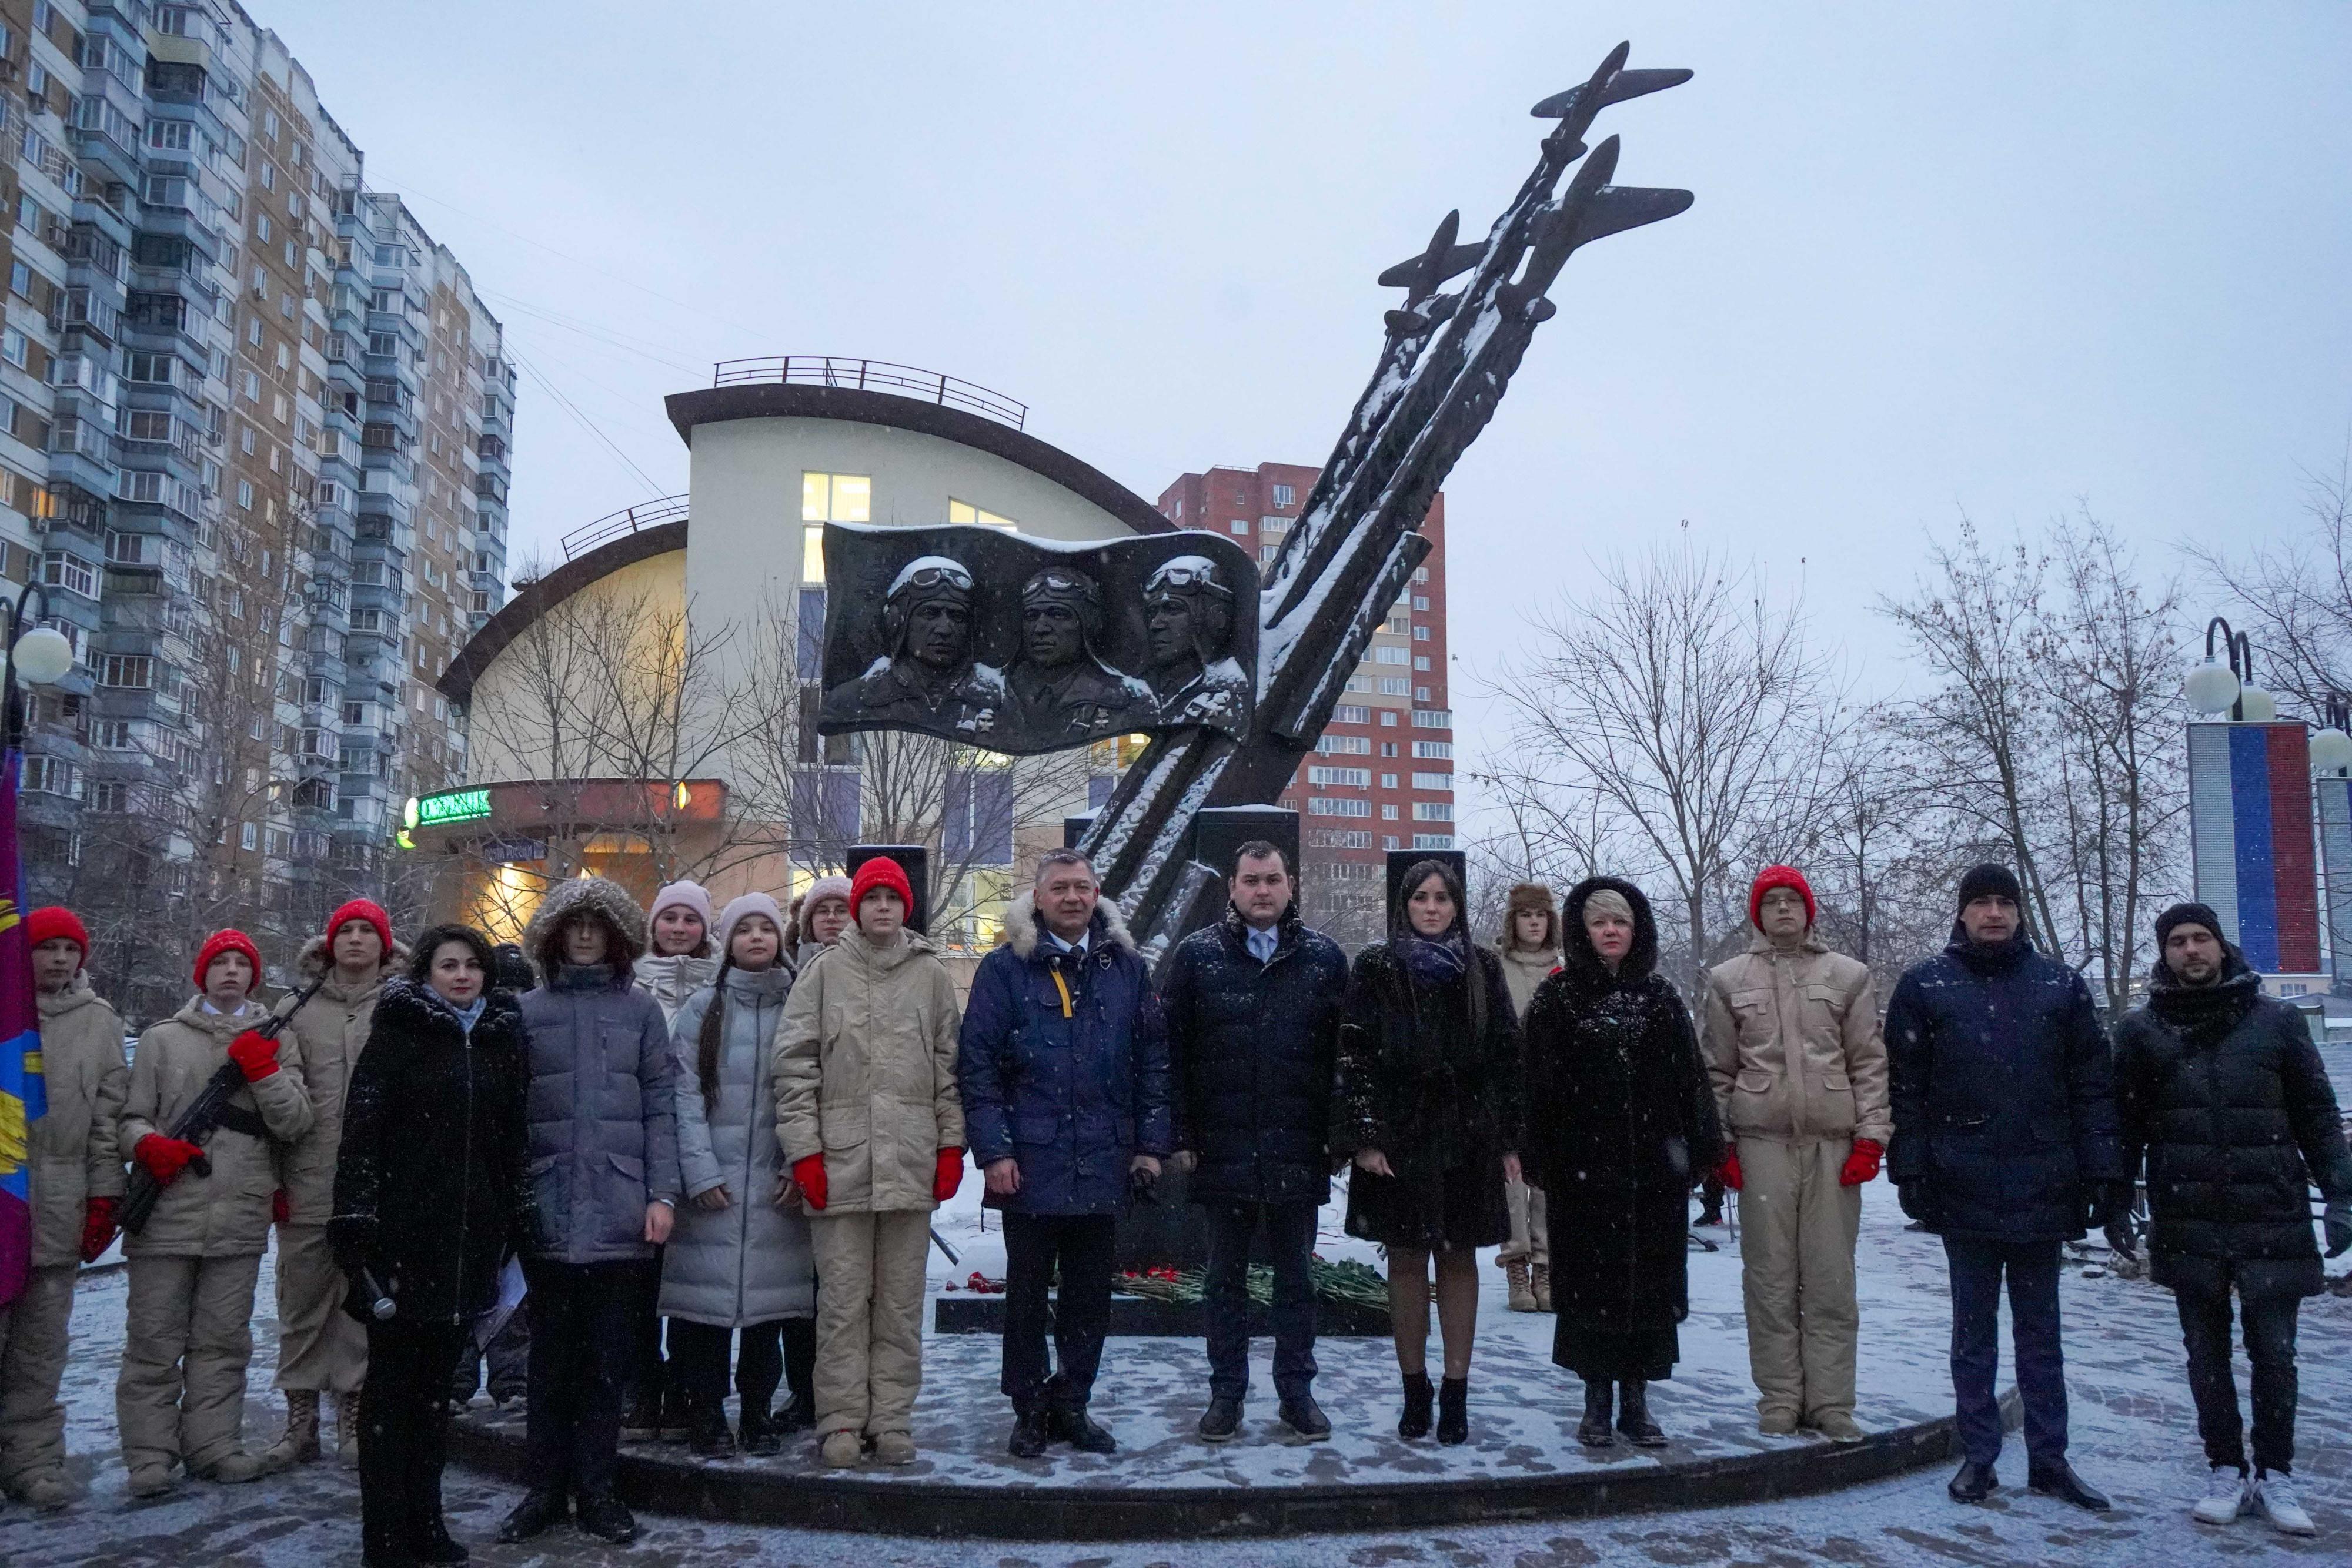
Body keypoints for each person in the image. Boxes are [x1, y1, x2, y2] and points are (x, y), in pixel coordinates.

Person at [1885, 864, 2126, 1511]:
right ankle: (1980, 1457)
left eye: (2004, 902)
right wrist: (1911, 1165)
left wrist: (2101, 1169)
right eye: (1982, 902)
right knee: (1973, 1334)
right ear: (1962, 913)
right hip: (1960, 1181)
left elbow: (2092, 1085)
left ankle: (2049, 1460)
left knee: (2040, 1333)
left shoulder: (2059, 986)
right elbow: (1905, 1087)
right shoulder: (1925, 985)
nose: (1994, 913)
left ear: (2018, 913)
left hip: (2044, 1181)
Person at [2112, 902, 2352, 1538]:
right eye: (2178, 941)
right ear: (2164, 953)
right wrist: (2113, 1195)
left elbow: (2317, 1114)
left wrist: (2342, 1192)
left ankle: (2276, 1473)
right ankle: (2224, 1466)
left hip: (2270, 1211)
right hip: (2187, 1213)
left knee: (2275, 1354)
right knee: (2205, 1354)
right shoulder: (2142, 1032)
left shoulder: (2276, 1022)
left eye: (2201, 939)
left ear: (2221, 947)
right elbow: (2125, 1124)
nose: (2191, 950)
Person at [958, 848, 1170, 1457]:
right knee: (1026, 1296)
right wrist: (995, 1151)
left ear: (1097, 894)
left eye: (1081, 887)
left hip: (1103, 1159)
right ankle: (1028, 1407)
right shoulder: (1004, 969)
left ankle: (1073, 1401)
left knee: (1088, 1297)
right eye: (1059, 888)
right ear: (1038, 897)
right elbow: (978, 1066)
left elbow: (1152, 1060)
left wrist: (1150, 1148)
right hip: (1029, 1163)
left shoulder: (1126, 968)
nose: (1072, 898)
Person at [331, 924, 530, 1568]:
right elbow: (361, 1134)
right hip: (403, 1238)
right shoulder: (398, 1035)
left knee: (436, 1394)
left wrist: (513, 1218)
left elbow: (513, 1140)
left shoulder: (500, 1039)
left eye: (472, 965)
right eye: (449, 965)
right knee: (392, 1391)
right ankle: (384, 1536)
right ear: (426, 974)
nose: (462, 975)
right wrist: (356, 1221)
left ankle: (426, 1521)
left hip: (470, 1239)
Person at [497, 878, 678, 1547]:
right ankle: (543, 1490)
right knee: (548, 1363)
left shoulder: (641, 1012)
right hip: (546, 1210)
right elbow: (507, 1116)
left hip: (621, 1211)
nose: (583, 936)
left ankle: (599, 1490)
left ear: (616, 937)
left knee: (606, 1365)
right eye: (573, 925)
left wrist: (662, 1195)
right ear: (552, 935)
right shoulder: (525, 1012)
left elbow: (661, 1108)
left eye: (596, 926)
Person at [1522, 877, 1722, 1449]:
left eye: (1621, 922)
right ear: (1582, 931)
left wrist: (1701, 1147)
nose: (1610, 931)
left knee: (1649, 1287)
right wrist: (1537, 1151)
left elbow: (1691, 1079)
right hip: (1583, 1172)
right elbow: (1534, 1085)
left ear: (1637, 930)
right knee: (1591, 1289)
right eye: (1599, 922)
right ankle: (1596, 1401)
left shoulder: (1660, 998)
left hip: (1654, 1171)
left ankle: (1637, 1401)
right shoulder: (1557, 1000)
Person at [778, 857, 965, 1467]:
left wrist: (949, 1146)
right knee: (840, 1305)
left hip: (910, 1161)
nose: (882, 907)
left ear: (906, 907)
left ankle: (891, 1419)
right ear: (857, 907)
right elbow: (795, 1068)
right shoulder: (823, 972)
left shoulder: (931, 975)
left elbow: (948, 1069)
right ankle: (839, 1419)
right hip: (840, 1165)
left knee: (899, 1306)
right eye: (871, 897)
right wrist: (805, 1152)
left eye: (893, 897)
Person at [115, 929, 315, 1495]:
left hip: (239, 1215)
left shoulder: (278, 1039)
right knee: (153, 1342)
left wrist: (264, 1072)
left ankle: (214, 1446)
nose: (231, 971)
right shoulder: (162, 1039)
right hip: (166, 1212)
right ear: (201, 973)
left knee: (224, 1341)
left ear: (254, 977)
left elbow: (296, 1122)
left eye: (241, 963)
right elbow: (130, 1118)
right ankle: (150, 1456)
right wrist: (148, 1144)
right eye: (220, 962)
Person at [1331, 860, 1523, 1446]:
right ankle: (1414, 1389)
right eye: (1421, 898)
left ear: (1457, 906)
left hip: (1468, 1135)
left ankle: (1456, 1390)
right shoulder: (1376, 966)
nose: (1432, 908)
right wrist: (1365, 1136)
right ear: (1404, 905)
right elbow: (1353, 1053)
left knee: (1460, 1257)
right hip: (1398, 1137)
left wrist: (1507, 1138)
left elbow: (1505, 1056)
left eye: (1442, 898)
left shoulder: (1481, 966)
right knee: (1407, 1257)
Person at [1162, 841, 1348, 1443]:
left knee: (1296, 1280)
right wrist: (1181, 1133)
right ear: (1233, 888)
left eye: (1272, 879)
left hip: (1298, 1145)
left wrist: (1338, 1135)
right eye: (1251, 880)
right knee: (1224, 1281)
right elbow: (1173, 1053)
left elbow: (1343, 1057)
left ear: (1290, 884)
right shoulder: (1197, 957)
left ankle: (1297, 1394)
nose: (1262, 891)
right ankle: (1226, 1396)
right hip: (1223, 1145)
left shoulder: (1323, 959)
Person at [1702, 865, 1889, 1442]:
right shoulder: (1728, 979)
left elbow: (1868, 1062)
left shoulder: (1848, 976)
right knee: (1769, 1280)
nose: (1783, 909)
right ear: (1757, 914)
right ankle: (1780, 1398)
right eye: (1771, 901)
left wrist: (1871, 1137)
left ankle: (1832, 1402)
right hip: (1762, 1146)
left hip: (1832, 1146)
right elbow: (1717, 1070)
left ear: (1808, 910)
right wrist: (1721, 1145)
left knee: (1832, 1280)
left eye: (1792, 900)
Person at [660, 893, 814, 1460]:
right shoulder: (703, 1008)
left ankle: (756, 1412)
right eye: (744, 929)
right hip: (714, 1190)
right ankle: (705, 1413)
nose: (756, 937)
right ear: (727, 941)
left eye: (765, 928)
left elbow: (813, 1090)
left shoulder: (800, 1006)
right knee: (704, 1318)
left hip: (776, 1190)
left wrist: (796, 1163)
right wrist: (700, 1171)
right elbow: (683, 1096)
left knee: (767, 1319)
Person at [269, 898, 406, 1470]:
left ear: (384, 944)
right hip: (307, 1180)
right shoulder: (295, 1009)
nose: (354, 939)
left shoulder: (404, 1005)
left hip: (378, 1185)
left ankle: (355, 1411)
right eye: (344, 930)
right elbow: (279, 1107)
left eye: (366, 931)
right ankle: (301, 1419)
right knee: (300, 1303)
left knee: (361, 1303)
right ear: (329, 943)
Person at [0, 907, 125, 1509]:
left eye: (69, 949)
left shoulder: (99, 1022)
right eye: (45, 947)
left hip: (59, 1201)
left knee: (40, 1349)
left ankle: (32, 1461)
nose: (58, 959)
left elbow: (106, 1121)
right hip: (5, 1196)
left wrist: (104, 1196)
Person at [624, 880, 719, 1443]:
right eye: (670, 917)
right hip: (642, 1146)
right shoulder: (629, 982)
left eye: (691, 919)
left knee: (693, 1281)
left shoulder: (724, 983)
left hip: (707, 1146)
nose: (680, 928)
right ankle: (642, 1386)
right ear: (653, 925)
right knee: (640, 1279)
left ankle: (689, 1390)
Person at [826, 554, 1008, 737]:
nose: (944, 629)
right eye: (929, 613)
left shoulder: (1001, 701)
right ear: (897, 622)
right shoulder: (848, 701)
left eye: (957, 616)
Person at [1490, 882, 1559, 1313]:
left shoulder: (1566, 967)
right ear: (1512, 921)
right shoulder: (1495, 967)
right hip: (1509, 1087)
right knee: (1512, 1180)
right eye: (1525, 915)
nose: (1534, 922)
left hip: (1553, 1090)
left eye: (1541, 914)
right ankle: (1516, 1264)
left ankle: (1546, 1266)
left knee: (1547, 1182)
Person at [1004, 567, 1155, 743]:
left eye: (1058, 614)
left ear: (1088, 624)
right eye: (1031, 616)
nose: (1040, 628)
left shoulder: (1127, 700)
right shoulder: (994, 695)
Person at [1141, 554, 1250, 732]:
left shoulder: (1233, 693)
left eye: (1173, 609)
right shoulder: (1137, 693)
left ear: (1212, 619)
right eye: (1153, 613)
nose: (1155, 624)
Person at [793, 876, 852, 972]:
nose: (831, 918)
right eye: (823, 911)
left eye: (841, 911)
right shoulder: (788, 973)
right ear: (809, 921)